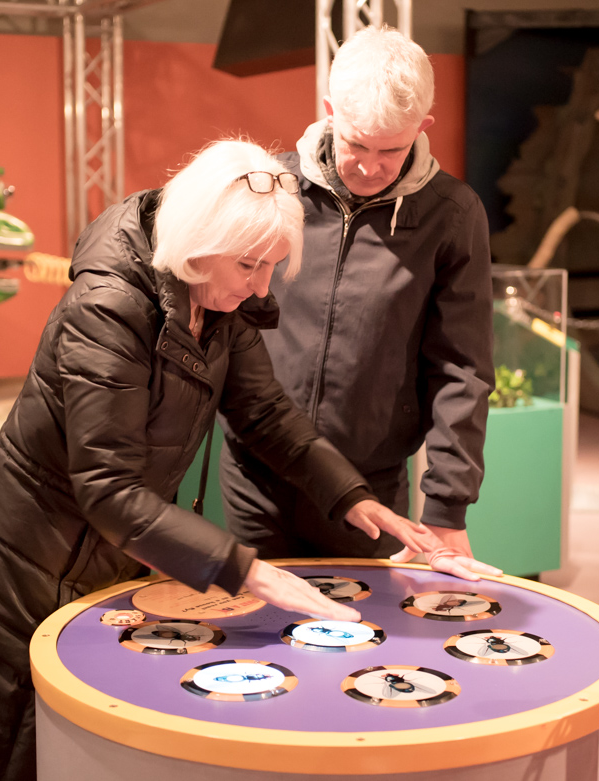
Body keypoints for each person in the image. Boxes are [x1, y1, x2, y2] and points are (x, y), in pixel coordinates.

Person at [0, 139, 499, 781]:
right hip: (26, 567)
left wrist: (356, 499)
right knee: (25, 746)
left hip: (95, 559)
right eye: (249, 265)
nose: (264, 286)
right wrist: (252, 573)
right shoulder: (108, 309)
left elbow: (268, 416)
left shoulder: (218, 302)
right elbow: (111, 491)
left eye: (273, 266)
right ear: (196, 246)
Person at [219, 27, 494, 565]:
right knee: (256, 637)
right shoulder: (271, 187)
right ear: (329, 112)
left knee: (364, 641)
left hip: (368, 487)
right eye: (356, 144)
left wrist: (445, 507)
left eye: (391, 149)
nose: (370, 166)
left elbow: (462, 368)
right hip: (256, 474)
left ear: (423, 127)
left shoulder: (452, 214)